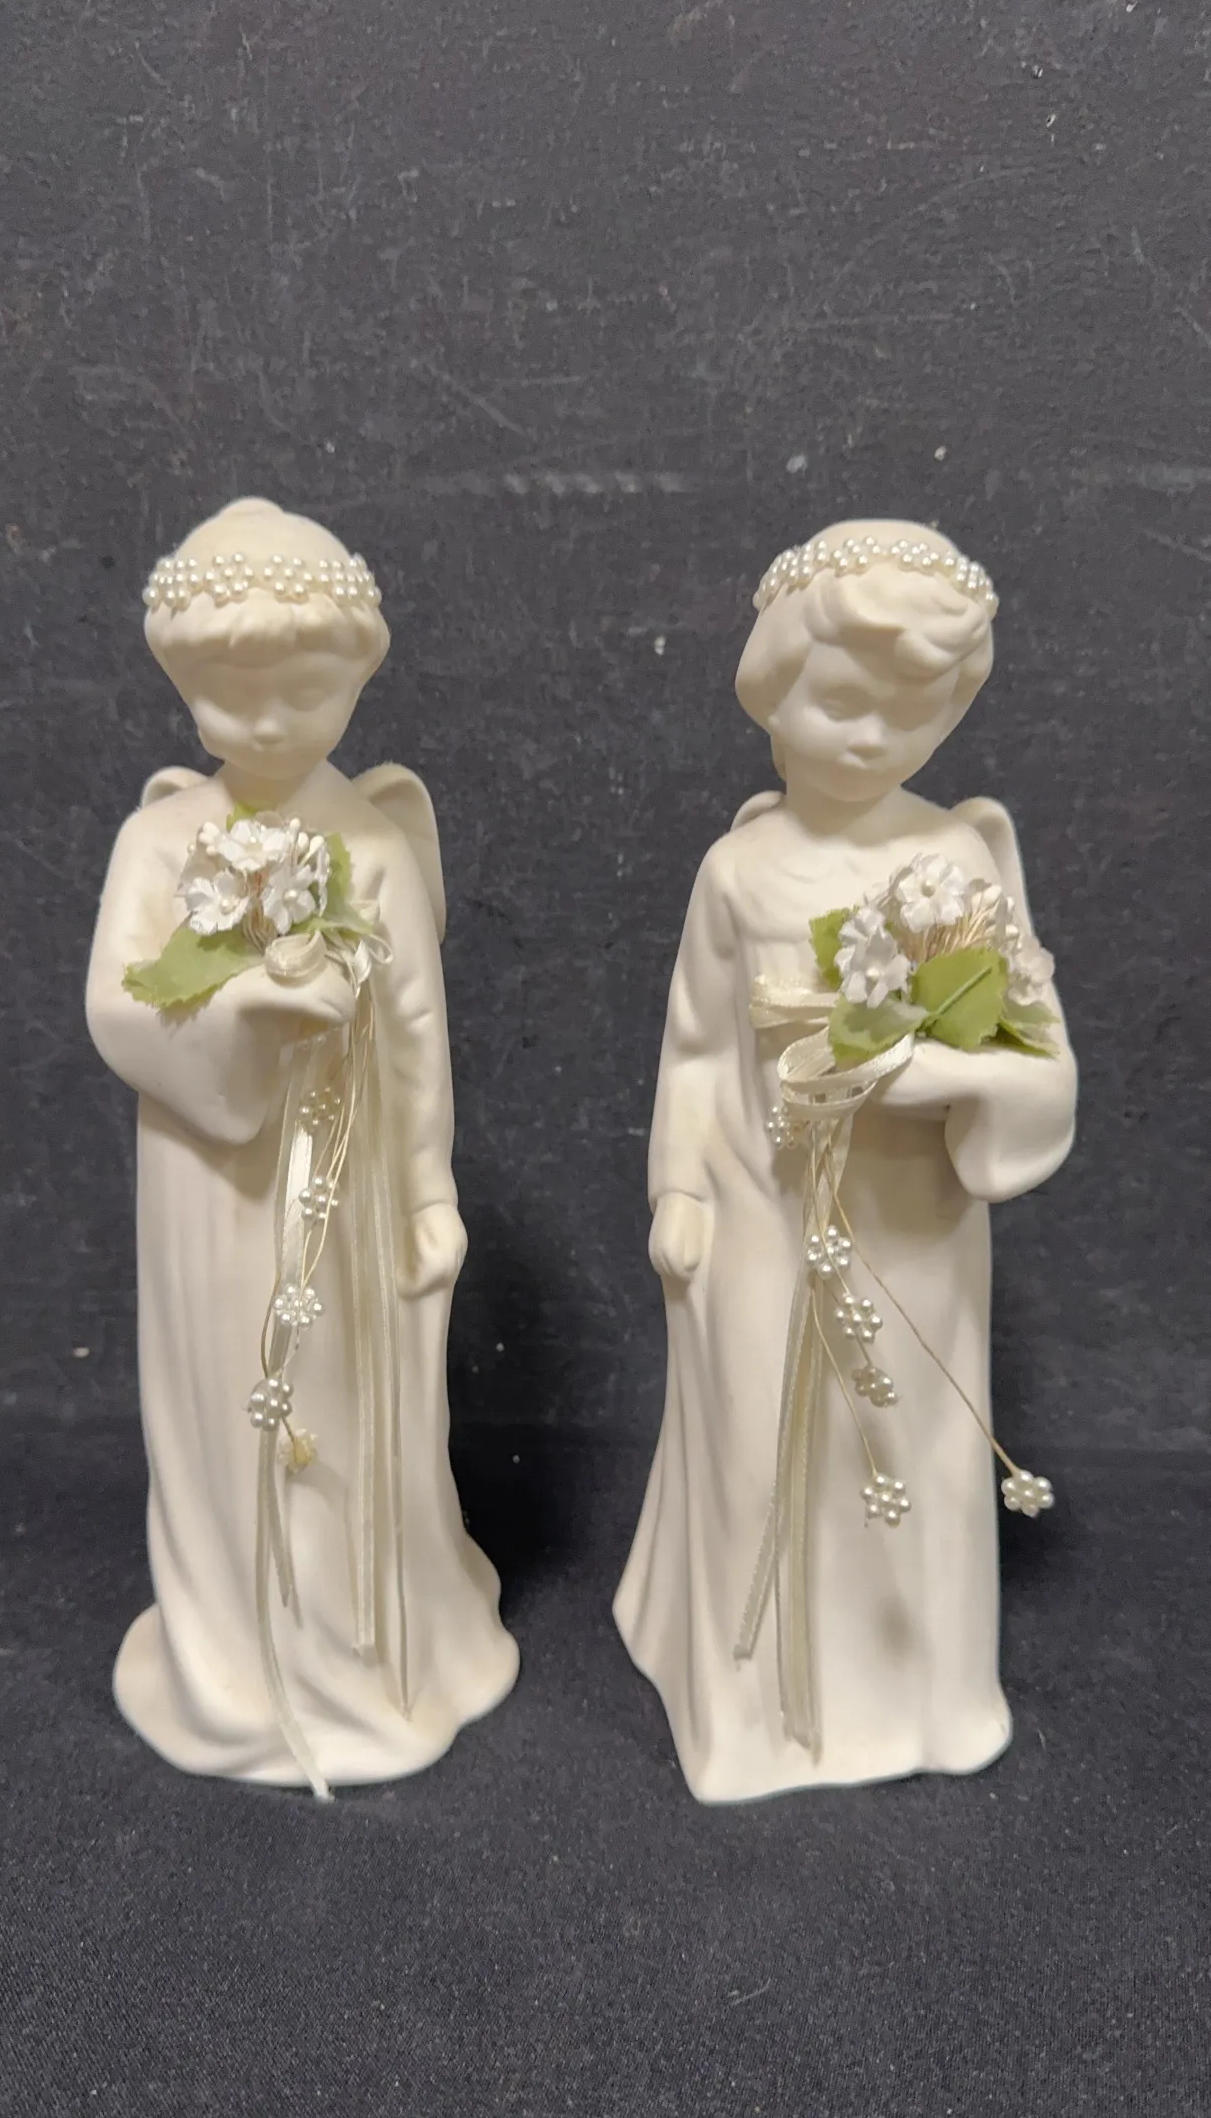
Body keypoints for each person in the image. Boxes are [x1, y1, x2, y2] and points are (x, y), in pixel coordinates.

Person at [615, 522, 1077, 1804]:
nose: (870, 738)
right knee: (758, 1437)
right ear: (773, 687)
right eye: (839, 702)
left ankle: (917, 1693)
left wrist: (945, 1079)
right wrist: (676, 1187)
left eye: (910, 712)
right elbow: (695, 1047)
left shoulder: (956, 863)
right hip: (760, 1210)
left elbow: (1038, 1061)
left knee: (904, 1444)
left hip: (907, 1224)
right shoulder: (737, 871)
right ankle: (756, 1706)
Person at [87, 497, 517, 1789]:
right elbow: (117, 1007)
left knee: (346, 1402)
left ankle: (357, 1641)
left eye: (303, 692)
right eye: (231, 695)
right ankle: (235, 1646)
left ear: (356, 682)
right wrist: (238, 1013)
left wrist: (428, 1191)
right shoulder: (159, 839)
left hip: (350, 1181)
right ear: (184, 690)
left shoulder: (371, 841)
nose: (267, 722)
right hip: (212, 1186)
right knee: (228, 1402)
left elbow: (417, 1039)